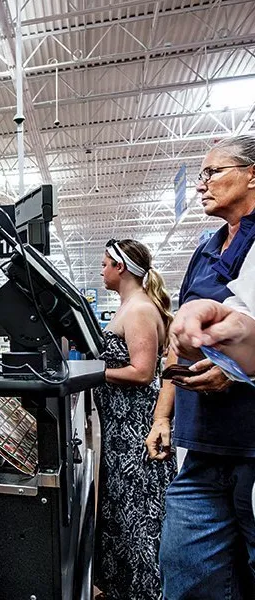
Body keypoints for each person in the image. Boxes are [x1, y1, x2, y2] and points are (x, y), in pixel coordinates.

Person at [145, 134, 255, 599]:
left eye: (213, 172)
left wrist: (233, 367)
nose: (202, 184)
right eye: (201, 175)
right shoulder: (207, 250)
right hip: (204, 444)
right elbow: (177, 343)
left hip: (250, 444)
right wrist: (162, 415)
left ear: (251, 174)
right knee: (185, 571)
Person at [93, 239, 176, 600]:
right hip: (120, 430)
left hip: (136, 428)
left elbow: (142, 373)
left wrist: (93, 373)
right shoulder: (130, 306)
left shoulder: (139, 309)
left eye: (106, 262)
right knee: (124, 514)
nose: (101, 269)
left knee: (139, 517)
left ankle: (146, 592)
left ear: (121, 268)